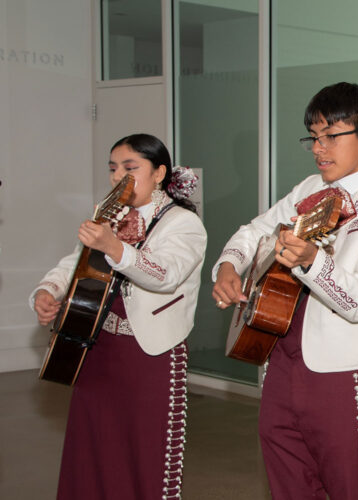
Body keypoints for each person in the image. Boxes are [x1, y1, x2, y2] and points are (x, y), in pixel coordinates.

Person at [211, 82, 358, 499]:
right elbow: (254, 231)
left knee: (350, 490)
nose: (318, 148)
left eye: (330, 136)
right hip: (279, 363)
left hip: (340, 377)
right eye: (313, 136)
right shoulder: (309, 189)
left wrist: (311, 260)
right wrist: (228, 266)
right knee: (287, 486)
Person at [31, 133, 206, 499]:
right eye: (113, 169)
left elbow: (165, 275)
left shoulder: (183, 223)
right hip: (96, 348)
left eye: (130, 168)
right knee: (93, 448)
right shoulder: (108, 215)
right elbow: (74, 262)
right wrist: (48, 291)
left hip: (150, 354)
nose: (118, 177)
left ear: (159, 173)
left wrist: (114, 247)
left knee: (144, 453)